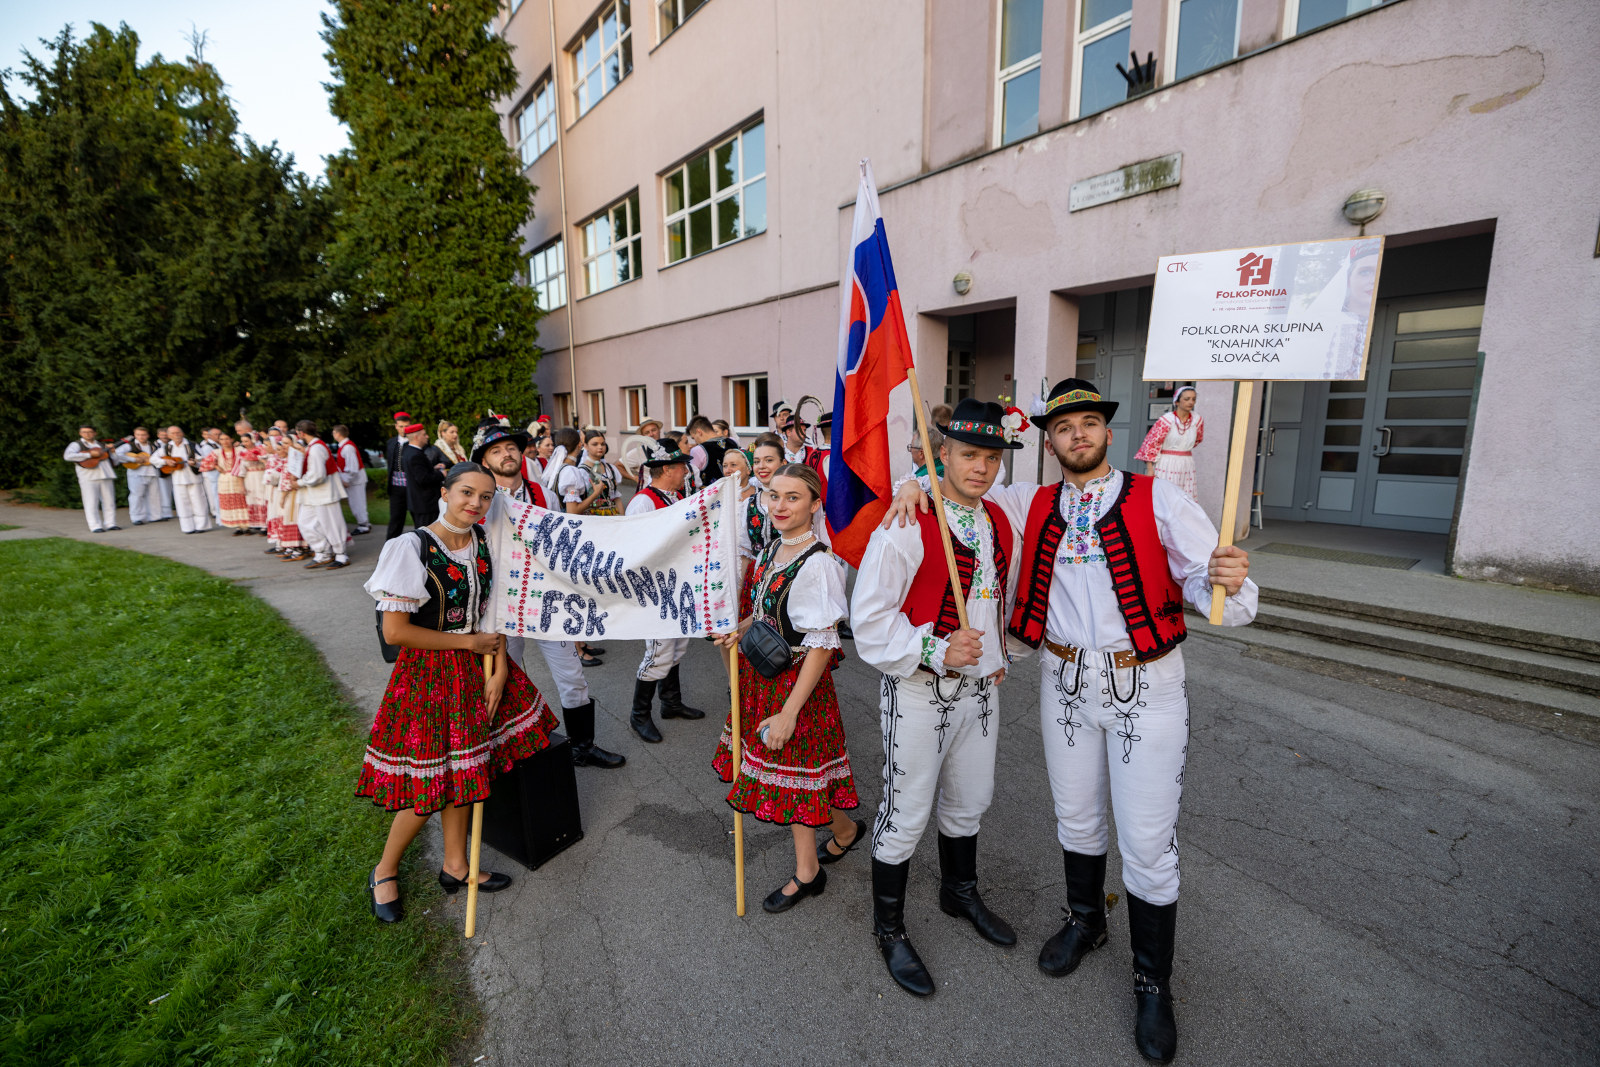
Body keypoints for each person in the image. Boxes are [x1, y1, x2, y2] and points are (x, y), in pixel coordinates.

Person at [889, 378, 1255, 1062]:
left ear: (1107, 434)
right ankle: (1085, 920)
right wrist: (917, 482)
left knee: (1147, 842)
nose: (1077, 434)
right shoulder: (1029, 501)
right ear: (1050, 441)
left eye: (1088, 422)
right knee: (1077, 818)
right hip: (1063, 679)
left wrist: (1225, 574)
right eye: (1063, 427)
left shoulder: (1160, 498)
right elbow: (959, 487)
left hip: (1145, 682)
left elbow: (1224, 600)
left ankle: (1153, 979)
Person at [851, 398, 1023, 999]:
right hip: (920, 692)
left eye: (991, 457)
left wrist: (998, 654)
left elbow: (999, 598)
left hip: (981, 692)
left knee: (971, 800)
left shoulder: (999, 518)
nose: (981, 468)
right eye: (968, 455)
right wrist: (932, 649)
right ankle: (889, 928)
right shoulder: (905, 523)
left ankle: (958, 893)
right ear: (941, 455)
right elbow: (869, 622)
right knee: (906, 811)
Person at [359, 463, 560, 923]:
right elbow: (395, 632)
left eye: (486, 497)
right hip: (430, 675)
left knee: (468, 770)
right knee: (429, 783)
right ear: (445, 492)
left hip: (481, 668)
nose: (476, 503)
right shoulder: (410, 547)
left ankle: (455, 864)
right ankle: (385, 869)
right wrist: (470, 643)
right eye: (467, 492)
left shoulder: (483, 543)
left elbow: (496, 615)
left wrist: (501, 666)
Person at [712, 464, 861, 913]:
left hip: (798, 687)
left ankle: (808, 873)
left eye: (793, 497)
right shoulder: (771, 548)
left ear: (815, 505)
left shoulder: (818, 564)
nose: (780, 505)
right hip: (763, 677)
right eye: (774, 495)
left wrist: (790, 712)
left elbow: (820, 645)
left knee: (795, 781)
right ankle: (846, 831)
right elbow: (767, 615)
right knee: (801, 778)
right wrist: (740, 628)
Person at [470, 420, 625, 770]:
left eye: (510, 447)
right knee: (501, 674)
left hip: (544, 600)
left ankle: (583, 747)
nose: (506, 454)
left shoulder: (543, 493)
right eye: (496, 450)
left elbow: (561, 540)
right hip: (497, 604)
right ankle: (500, 749)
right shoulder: (477, 497)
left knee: (572, 676)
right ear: (485, 461)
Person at [625, 441, 704, 743]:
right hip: (657, 591)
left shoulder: (677, 496)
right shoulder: (643, 502)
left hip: (679, 585)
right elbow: (634, 550)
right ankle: (639, 715)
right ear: (668, 469)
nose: (686, 470)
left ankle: (671, 703)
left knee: (677, 646)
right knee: (658, 651)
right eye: (682, 466)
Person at [293, 420, 351, 570]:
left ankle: (341, 554)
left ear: (301, 433)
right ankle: (322, 551)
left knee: (332, 524)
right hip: (312, 494)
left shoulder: (317, 448)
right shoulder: (312, 447)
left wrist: (299, 482)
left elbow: (318, 475)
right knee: (305, 523)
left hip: (324, 493)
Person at [1134, 386, 1204, 502]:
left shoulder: (1197, 420)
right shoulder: (1166, 420)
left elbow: (1198, 439)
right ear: (1177, 401)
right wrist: (1150, 469)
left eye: (1193, 399)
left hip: (1186, 463)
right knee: (1165, 498)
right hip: (1166, 463)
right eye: (1186, 399)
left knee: (1184, 499)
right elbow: (1151, 444)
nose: (1191, 402)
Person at [63, 424, 119, 533]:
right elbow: (67, 456)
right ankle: (95, 526)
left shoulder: (102, 444)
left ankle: (111, 523)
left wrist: (113, 452)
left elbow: (116, 462)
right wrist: (89, 455)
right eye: (84, 432)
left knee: (109, 501)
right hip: (88, 476)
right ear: (80, 433)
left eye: (89, 432)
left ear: (95, 433)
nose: (87, 434)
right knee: (91, 502)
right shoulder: (76, 444)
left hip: (106, 475)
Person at [158, 425, 211, 534]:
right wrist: (166, 462)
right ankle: (187, 527)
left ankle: (201, 526)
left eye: (178, 432)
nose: (176, 435)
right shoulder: (167, 447)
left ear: (182, 433)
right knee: (182, 503)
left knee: (198, 501)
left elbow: (204, 459)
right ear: (168, 436)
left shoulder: (192, 445)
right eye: (173, 433)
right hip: (177, 479)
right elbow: (153, 458)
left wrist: (196, 463)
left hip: (193, 477)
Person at [204, 431, 252, 534]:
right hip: (225, 479)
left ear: (231, 439)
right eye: (222, 439)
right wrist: (216, 466)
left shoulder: (240, 450)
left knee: (242, 501)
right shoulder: (216, 452)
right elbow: (204, 464)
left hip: (239, 477)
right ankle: (237, 526)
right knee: (231, 502)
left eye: (226, 439)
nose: (224, 441)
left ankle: (247, 525)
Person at [402, 423, 448, 527]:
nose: (427, 436)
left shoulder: (409, 451)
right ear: (416, 437)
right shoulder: (415, 454)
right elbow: (423, 479)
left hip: (418, 502)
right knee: (428, 533)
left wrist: (432, 468)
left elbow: (417, 472)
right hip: (425, 504)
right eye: (424, 434)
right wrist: (441, 474)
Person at [115, 426, 161, 526]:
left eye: (143, 435)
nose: (141, 437)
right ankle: (137, 517)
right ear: (135, 435)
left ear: (147, 435)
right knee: (136, 495)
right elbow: (118, 453)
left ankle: (154, 516)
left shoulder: (153, 445)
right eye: (138, 435)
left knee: (154, 495)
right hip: (136, 473)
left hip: (152, 472)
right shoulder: (130, 445)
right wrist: (134, 459)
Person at [333, 425, 371, 534]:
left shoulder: (347, 447)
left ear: (338, 434)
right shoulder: (345, 446)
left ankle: (363, 525)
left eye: (334, 432)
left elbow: (352, 467)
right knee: (357, 502)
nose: (333, 435)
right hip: (354, 480)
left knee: (357, 503)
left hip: (355, 480)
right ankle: (365, 523)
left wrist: (347, 480)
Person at [577, 432, 624, 516]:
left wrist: (623, 518)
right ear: (586, 446)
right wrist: (594, 504)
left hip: (613, 516)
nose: (600, 447)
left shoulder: (611, 468)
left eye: (603, 444)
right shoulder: (582, 472)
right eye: (595, 444)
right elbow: (577, 504)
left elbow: (616, 497)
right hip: (592, 518)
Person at [236, 420, 269, 533]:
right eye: (243, 441)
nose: (245, 443)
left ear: (253, 440)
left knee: (263, 499)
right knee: (252, 499)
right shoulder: (242, 453)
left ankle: (266, 524)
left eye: (246, 441)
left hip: (261, 476)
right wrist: (241, 486)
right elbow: (240, 471)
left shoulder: (262, 449)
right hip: (249, 478)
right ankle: (256, 523)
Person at [384, 411, 413, 540]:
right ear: (396, 426)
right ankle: (389, 550)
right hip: (396, 487)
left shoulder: (414, 442)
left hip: (412, 487)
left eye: (406, 426)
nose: (403, 429)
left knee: (419, 519)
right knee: (395, 520)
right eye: (400, 426)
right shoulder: (391, 443)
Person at [197, 427, 223, 525]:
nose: (219, 436)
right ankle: (216, 514)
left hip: (218, 474)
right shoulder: (207, 447)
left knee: (218, 495)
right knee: (214, 496)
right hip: (212, 474)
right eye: (217, 434)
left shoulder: (217, 444)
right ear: (210, 436)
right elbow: (208, 461)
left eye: (220, 434)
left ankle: (220, 515)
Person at [153, 427, 176, 520]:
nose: (164, 437)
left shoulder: (172, 444)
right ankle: (166, 513)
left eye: (166, 435)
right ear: (158, 435)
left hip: (174, 469)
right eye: (162, 435)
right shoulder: (154, 445)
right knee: (164, 492)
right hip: (162, 470)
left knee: (174, 491)